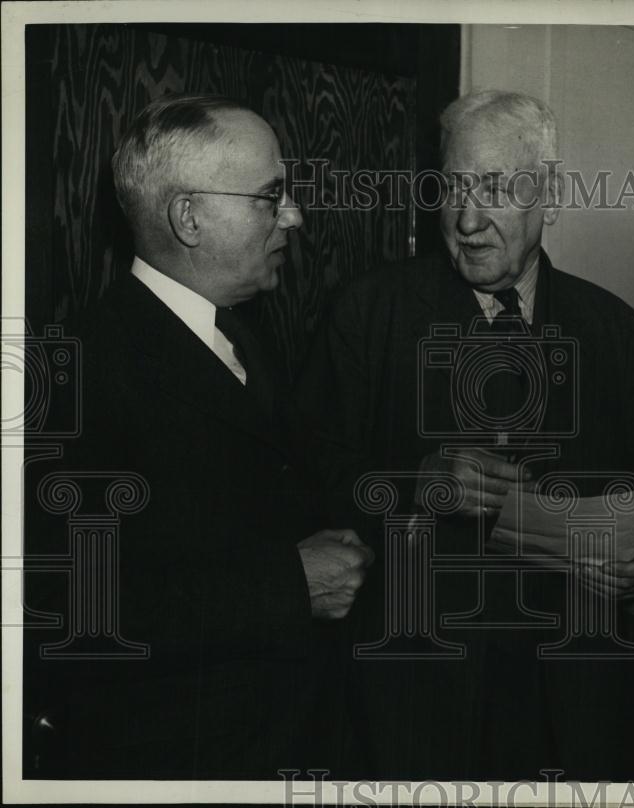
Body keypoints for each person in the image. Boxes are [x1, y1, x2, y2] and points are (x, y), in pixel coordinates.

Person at [297, 90, 634, 780]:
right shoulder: (366, 313)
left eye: (496, 189)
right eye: (452, 189)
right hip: (413, 694)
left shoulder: (613, 329)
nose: (467, 220)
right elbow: (306, 478)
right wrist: (418, 481)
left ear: (551, 198)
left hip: (568, 697)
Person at [23, 94, 373, 779]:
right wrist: (289, 584)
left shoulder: (242, 328)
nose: (294, 216)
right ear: (188, 216)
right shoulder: (76, 371)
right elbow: (61, 613)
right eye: (271, 196)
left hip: (283, 744)